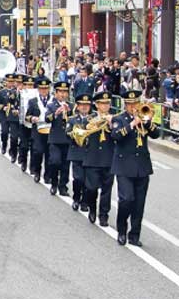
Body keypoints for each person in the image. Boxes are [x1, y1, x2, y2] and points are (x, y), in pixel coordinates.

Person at [111, 90, 160, 246]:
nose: (133, 106)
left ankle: (134, 235)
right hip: (124, 166)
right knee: (126, 200)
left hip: (142, 167)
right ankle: (121, 229)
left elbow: (156, 134)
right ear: (125, 104)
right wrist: (132, 124)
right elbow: (116, 136)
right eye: (130, 104)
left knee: (139, 203)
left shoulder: (144, 118)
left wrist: (147, 122)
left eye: (135, 103)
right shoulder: (119, 119)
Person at [83, 92, 115, 226]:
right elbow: (82, 135)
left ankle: (104, 215)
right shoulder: (89, 118)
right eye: (102, 103)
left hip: (108, 158)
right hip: (93, 158)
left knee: (107, 190)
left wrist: (112, 125)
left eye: (107, 103)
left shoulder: (115, 119)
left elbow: (119, 136)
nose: (105, 106)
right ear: (96, 105)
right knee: (91, 188)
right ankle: (92, 208)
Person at [44, 81, 73, 196]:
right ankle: (54, 182)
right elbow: (47, 119)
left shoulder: (71, 106)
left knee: (66, 165)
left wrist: (70, 113)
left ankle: (63, 186)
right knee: (55, 161)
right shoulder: (51, 105)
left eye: (65, 92)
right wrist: (56, 114)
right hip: (55, 139)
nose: (63, 94)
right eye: (60, 92)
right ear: (56, 93)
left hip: (67, 139)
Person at [65, 94, 92, 211]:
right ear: (78, 106)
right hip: (76, 152)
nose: (85, 107)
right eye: (82, 105)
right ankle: (76, 198)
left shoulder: (94, 120)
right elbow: (67, 134)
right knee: (78, 178)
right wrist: (76, 135)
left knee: (88, 180)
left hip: (90, 153)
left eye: (87, 105)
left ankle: (85, 201)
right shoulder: (72, 120)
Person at [25, 78, 53, 184]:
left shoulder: (53, 100)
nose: (44, 91)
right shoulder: (33, 101)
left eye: (46, 88)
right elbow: (27, 116)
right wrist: (32, 118)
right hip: (38, 130)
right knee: (38, 152)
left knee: (49, 154)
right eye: (42, 88)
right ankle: (37, 171)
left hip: (50, 130)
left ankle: (48, 176)